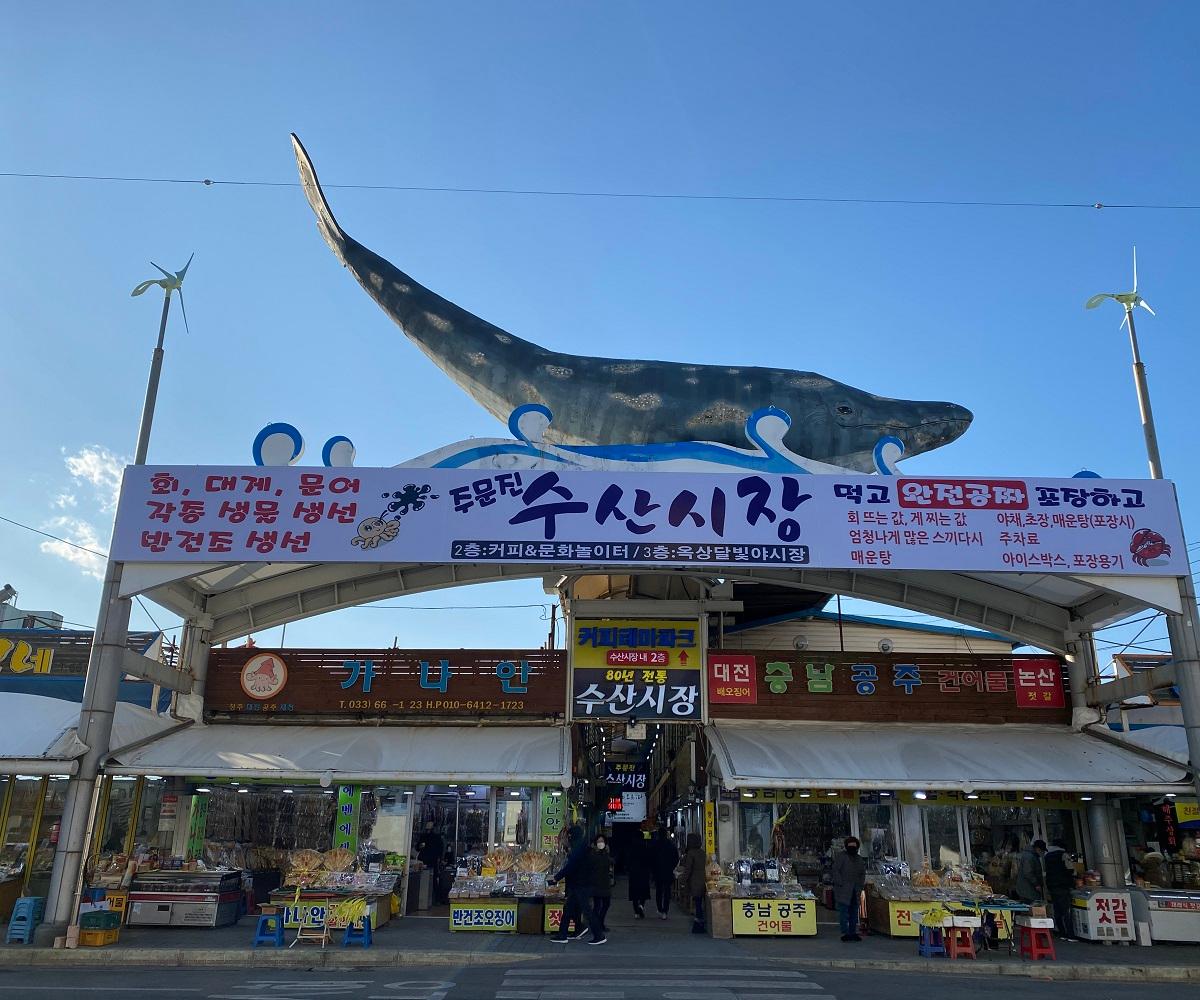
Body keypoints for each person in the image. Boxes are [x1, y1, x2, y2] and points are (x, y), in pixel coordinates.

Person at [548, 825, 605, 945]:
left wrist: (556, 878)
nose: (568, 838)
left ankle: (599, 935)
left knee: (587, 911)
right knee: (568, 909)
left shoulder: (578, 849)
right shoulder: (582, 847)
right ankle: (563, 934)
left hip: (581, 885)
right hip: (579, 884)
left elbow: (570, 867)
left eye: (569, 836)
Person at [831, 836, 867, 942]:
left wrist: (860, 886)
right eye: (850, 846)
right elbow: (835, 870)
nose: (852, 848)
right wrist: (840, 883)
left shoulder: (859, 859)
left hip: (855, 889)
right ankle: (845, 932)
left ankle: (853, 932)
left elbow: (862, 874)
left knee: (854, 912)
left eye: (854, 846)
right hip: (843, 889)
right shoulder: (841, 857)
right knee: (844, 912)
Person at [1044, 839, 1077, 941]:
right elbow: (1070, 869)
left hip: (1052, 886)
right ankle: (1070, 934)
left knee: (1057, 910)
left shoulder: (1047, 856)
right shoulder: (1063, 855)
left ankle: (1061, 932)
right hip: (1063, 885)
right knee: (1066, 910)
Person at [678, 832, 708, 934]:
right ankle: (701, 924)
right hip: (703, 880)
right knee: (701, 903)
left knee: (697, 904)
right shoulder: (702, 853)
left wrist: (683, 881)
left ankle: (698, 925)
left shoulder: (691, 853)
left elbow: (688, 869)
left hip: (694, 881)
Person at [650, 826, 679, 919]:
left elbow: (651, 859)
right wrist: (671, 867)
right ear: (666, 834)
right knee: (667, 891)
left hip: (657, 872)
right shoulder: (671, 845)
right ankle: (665, 911)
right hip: (668, 872)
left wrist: (653, 870)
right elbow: (676, 858)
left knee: (659, 891)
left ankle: (659, 909)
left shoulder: (655, 845)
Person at [589, 834, 615, 933]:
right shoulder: (593, 854)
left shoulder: (606, 854)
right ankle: (596, 925)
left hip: (605, 883)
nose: (601, 843)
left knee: (606, 904)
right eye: (599, 841)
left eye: (602, 841)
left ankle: (599, 923)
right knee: (597, 905)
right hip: (596, 883)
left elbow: (610, 863)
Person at [626, 832, 651, 918]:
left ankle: (636, 912)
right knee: (643, 891)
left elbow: (628, 860)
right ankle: (641, 906)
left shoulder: (631, 847)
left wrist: (628, 869)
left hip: (633, 872)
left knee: (634, 893)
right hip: (644, 872)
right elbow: (648, 859)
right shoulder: (645, 846)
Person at [1014, 839, 1047, 904]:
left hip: (1028, 888)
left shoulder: (1031, 855)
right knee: (1031, 907)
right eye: (1042, 850)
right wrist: (1036, 884)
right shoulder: (1029, 856)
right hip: (1028, 889)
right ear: (1038, 849)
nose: (1043, 853)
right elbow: (1028, 872)